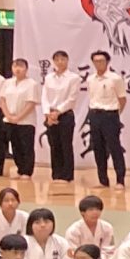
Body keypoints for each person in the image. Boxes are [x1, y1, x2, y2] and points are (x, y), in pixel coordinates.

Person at [38, 50, 80, 187]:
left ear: (67, 61)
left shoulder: (73, 78)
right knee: (54, 145)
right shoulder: (49, 77)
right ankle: (56, 173)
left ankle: (67, 175)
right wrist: (47, 113)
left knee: (65, 145)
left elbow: (72, 99)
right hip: (50, 115)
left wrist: (58, 112)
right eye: (57, 59)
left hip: (65, 114)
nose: (60, 62)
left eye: (63, 59)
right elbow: (44, 96)